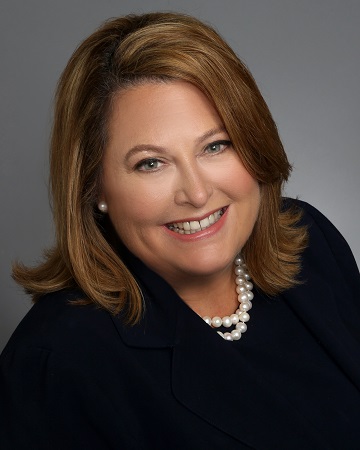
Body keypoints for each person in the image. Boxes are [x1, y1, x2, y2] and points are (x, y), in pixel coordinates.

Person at [0, 12, 359, 450]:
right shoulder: (58, 365)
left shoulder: (312, 243)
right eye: (151, 162)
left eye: (216, 145)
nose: (197, 192)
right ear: (95, 186)